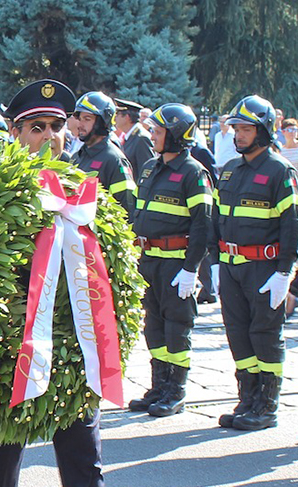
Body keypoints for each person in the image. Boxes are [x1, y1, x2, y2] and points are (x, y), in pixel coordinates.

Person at [0, 78, 106, 487]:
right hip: (13, 344)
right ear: (15, 133)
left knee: (84, 460)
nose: (50, 135)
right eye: (38, 128)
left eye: (57, 126)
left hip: (73, 341)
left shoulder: (85, 188)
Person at [212, 95, 298, 432]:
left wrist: (285, 272)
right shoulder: (230, 170)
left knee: (264, 334)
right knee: (238, 333)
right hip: (232, 265)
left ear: (264, 130)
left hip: (264, 268)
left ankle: (266, 404)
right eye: (236, 128)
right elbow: (217, 218)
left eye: (246, 129)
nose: (239, 135)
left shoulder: (280, 170)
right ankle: (247, 398)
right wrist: (215, 263)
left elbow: (294, 223)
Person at [126, 103, 214, 420]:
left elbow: (203, 224)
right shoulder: (151, 167)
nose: (152, 136)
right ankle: (159, 386)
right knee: (154, 326)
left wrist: (191, 269)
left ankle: (176, 391)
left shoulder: (194, 173)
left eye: (158, 131)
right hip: (149, 261)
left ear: (177, 135)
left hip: (177, 264)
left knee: (177, 327)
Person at [71, 91, 137, 214]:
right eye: (79, 119)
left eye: (87, 119)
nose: (80, 124)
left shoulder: (115, 160)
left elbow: (126, 209)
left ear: (102, 122)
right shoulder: (76, 157)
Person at [115, 98, 155, 180]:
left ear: (127, 117)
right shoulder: (130, 136)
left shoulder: (141, 138)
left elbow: (146, 171)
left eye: (117, 114)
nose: (115, 118)